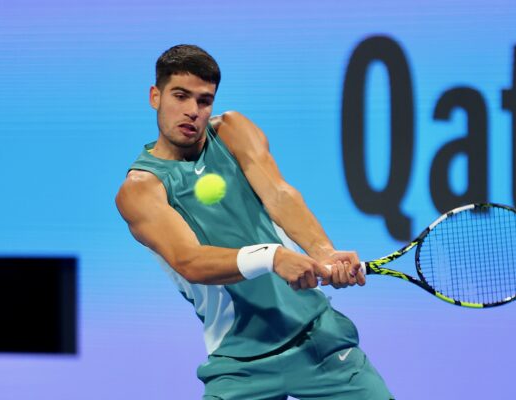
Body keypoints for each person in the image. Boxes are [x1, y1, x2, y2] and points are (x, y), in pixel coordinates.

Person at [115, 44, 394, 400]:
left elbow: (279, 194)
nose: (192, 111)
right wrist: (273, 256)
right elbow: (190, 261)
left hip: (318, 339)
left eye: (204, 100)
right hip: (241, 365)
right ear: (155, 96)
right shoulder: (140, 189)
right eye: (180, 96)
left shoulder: (233, 130)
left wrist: (324, 252)